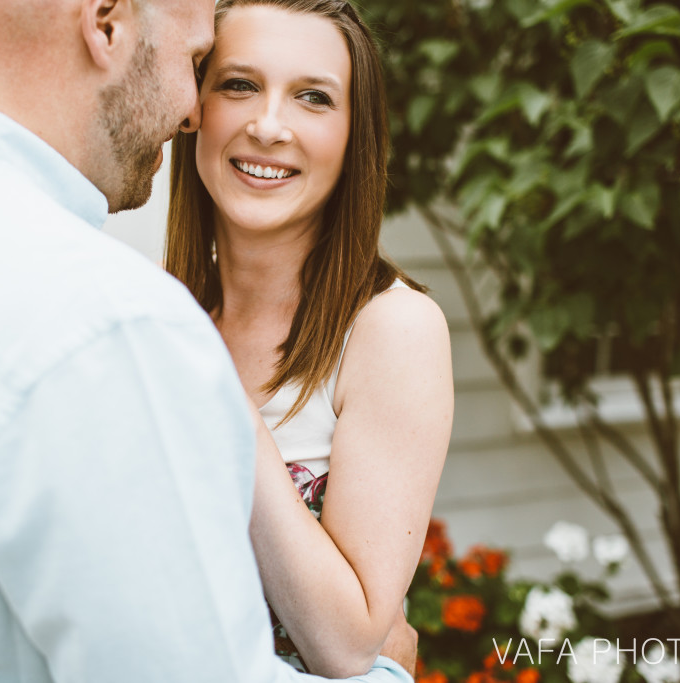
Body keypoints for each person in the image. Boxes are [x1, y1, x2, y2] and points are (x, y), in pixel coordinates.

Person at [0, 0, 417, 681]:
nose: (192, 112)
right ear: (105, 24)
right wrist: (386, 675)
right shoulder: (111, 323)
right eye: (200, 63)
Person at [167, 0, 453, 676]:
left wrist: (212, 383)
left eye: (313, 98)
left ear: (356, 135)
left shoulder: (391, 329)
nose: (268, 126)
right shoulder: (151, 308)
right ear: (192, 107)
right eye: (238, 85)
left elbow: (346, 642)